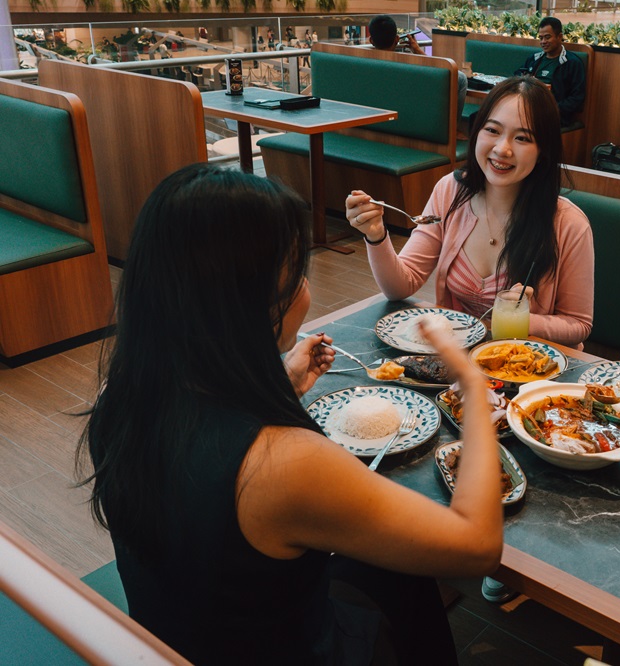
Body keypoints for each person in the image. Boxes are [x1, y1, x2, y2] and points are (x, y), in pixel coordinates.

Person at [79, 163, 504, 665]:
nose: (307, 291)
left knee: (382, 563)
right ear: (252, 304)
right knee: (405, 579)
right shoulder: (284, 463)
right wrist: (473, 389)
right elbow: (477, 547)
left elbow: (207, 458)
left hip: (180, 636)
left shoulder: (121, 395)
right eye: (298, 274)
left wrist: (284, 384)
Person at [345, 76, 595, 349]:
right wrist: (376, 236)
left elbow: (578, 324)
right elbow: (401, 286)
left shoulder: (568, 224)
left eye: (522, 138)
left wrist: (517, 318)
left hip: (528, 370)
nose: (502, 149)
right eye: (492, 130)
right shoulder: (450, 192)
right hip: (456, 363)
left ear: (543, 152)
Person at [367, 14, 468, 126]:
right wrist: (417, 50)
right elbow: (439, 72)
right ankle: (454, 128)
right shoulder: (408, 64)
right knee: (461, 78)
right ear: (397, 39)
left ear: (371, 40)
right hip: (412, 119)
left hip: (374, 118)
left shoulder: (363, 63)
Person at [514, 17, 586, 127]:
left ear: (559, 37)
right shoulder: (534, 59)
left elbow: (577, 98)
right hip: (527, 107)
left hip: (554, 115)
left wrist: (551, 109)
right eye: (541, 38)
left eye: (547, 37)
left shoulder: (572, 63)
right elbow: (517, 76)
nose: (543, 42)